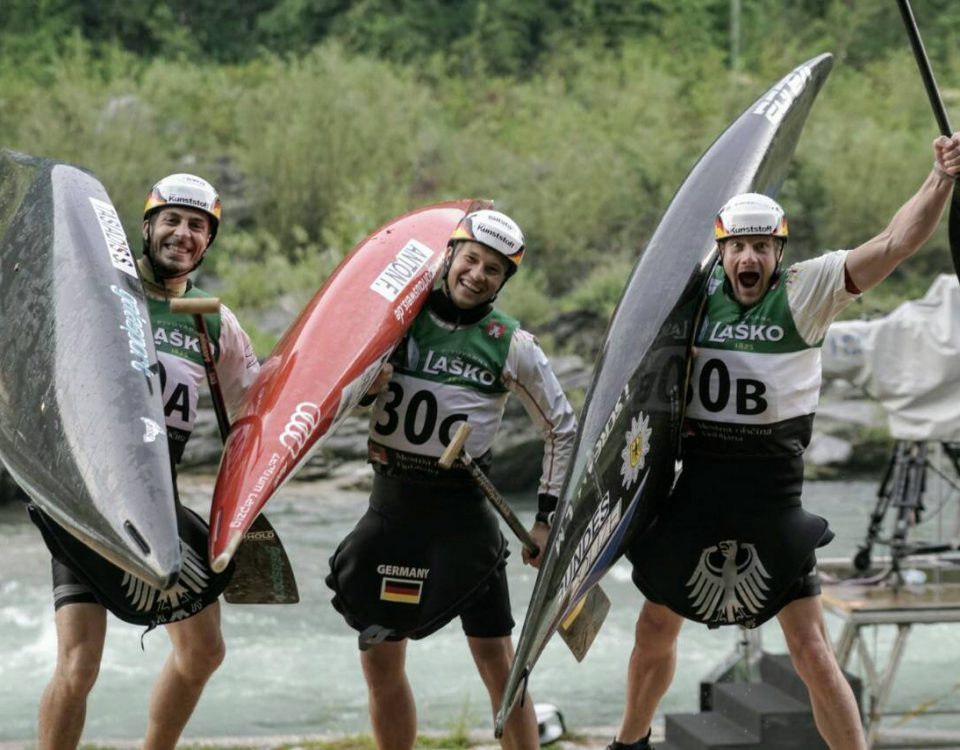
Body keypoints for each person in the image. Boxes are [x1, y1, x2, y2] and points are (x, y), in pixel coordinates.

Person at [609, 133, 960, 750]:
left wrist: (940, 177)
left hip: (773, 496)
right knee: (654, 626)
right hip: (699, 488)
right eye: (738, 247)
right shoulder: (690, 301)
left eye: (762, 247)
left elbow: (896, 243)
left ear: (779, 251)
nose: (750, 258)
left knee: (811, 648)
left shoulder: (808, 289)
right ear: (722, 253)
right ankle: (629, 743)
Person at [326, 208, 578, 750]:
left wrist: (545, 519)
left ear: (503, 280)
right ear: (450, 257)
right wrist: (371, 385)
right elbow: (331, 398)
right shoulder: (393, 322)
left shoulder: (511, 344)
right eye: (471, 260)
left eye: (493, 270)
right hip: (390, 514)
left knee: (500, 667)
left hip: (464, 520)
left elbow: (562, 427)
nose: (477, 274)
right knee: (380, 663)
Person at [26, 173, 259, 750]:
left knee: (203, 652)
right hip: (89, 498)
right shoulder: (94, 290)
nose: (183, 234)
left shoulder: (212, 321)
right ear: (148, 226)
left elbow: (253, 403)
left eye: (197, 227)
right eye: (173, 220)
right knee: (79, 665)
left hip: (157, 500)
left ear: (208, 243)